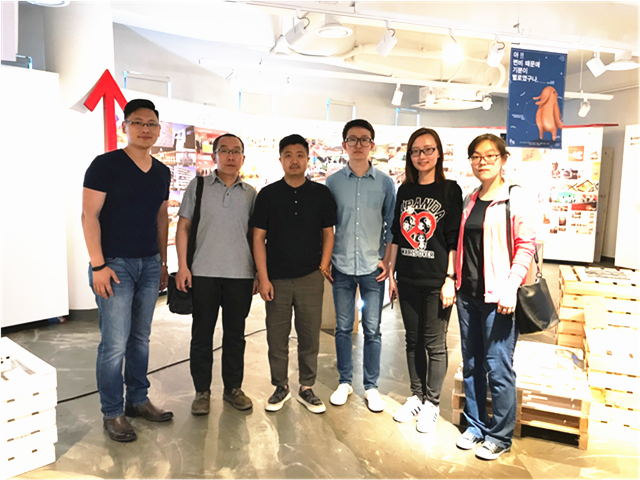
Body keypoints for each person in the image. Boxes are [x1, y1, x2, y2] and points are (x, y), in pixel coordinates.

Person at [82, 99, 173, 443]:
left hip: (149, 263)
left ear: (158, 129)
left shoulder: (162, 172)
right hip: (114, 264)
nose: (145, 129)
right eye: (138, 122)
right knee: (114, 343)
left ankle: (137, 399)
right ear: (125, 127)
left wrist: (162, 263)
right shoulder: (105, 165)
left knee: (140, 339)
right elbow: (88, 215)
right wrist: (98, 265)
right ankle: (112, 412)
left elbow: (161, 217)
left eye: (151, 124)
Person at [454, 133, 536, 460]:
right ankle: (475, 424)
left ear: (503, 159)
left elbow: (526, 246)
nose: (482, 161)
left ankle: (500, 436)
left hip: (499, 297)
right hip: (468, 295)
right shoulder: (470, 199)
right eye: (476, 156)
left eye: (490, 155)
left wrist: (511, 287)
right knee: (472, 363)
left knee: (498, 367)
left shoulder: (515, 197)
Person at [250, 134, 337, 414]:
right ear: (280, 160)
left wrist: (323, 266)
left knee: (309, 335)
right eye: (288, 155)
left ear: (308, 159)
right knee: (277, 336)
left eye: (300, 155)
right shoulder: (267, 195)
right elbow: (258, 238)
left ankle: (307, 387)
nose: (294, 160)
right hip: (276, 278)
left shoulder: (321, 194)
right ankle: (280, 386)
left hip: (310, 276)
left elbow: (328, 233)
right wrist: (263, 277)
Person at [175, 133, 258, 416]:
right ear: (214, 156)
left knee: (235, 335)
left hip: (240, 275)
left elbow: (256, 236)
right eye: (225, 150)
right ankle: (202, 391)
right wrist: (183, 266)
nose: (231, 156)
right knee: (202, 335)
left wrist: (257, 273)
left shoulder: (251, 194)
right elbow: (183, 227)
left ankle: (233, 388)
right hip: (203, 273)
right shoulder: (198, 186)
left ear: (243, 158)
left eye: (236, 151)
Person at [388, 128, 462, 433]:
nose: (422, 156)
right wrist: (391, 274)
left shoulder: (450, 190)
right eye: (416, 151)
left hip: (436, 280)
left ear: (439, 153)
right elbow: (396, 234)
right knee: (412, 340)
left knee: (435, 343)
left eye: (428, 149)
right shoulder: (404, 190)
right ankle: (416, 396)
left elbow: (453, 238)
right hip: (407, 277)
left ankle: (432, 402)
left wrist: (450, 278)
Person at [325, 119, 396, 412]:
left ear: (372, 145)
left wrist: (387, 261)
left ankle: (371, 386)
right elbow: (327, 225)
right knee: (343, 327)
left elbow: (392, 226)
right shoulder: (333, 183)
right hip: (341, 265)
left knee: (372, 329)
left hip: (372, 268)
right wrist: (326, 259)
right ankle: (344, 382)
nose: (358, 145)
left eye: (364, 139)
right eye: (352, 140)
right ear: (344, 145)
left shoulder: (385, 183)